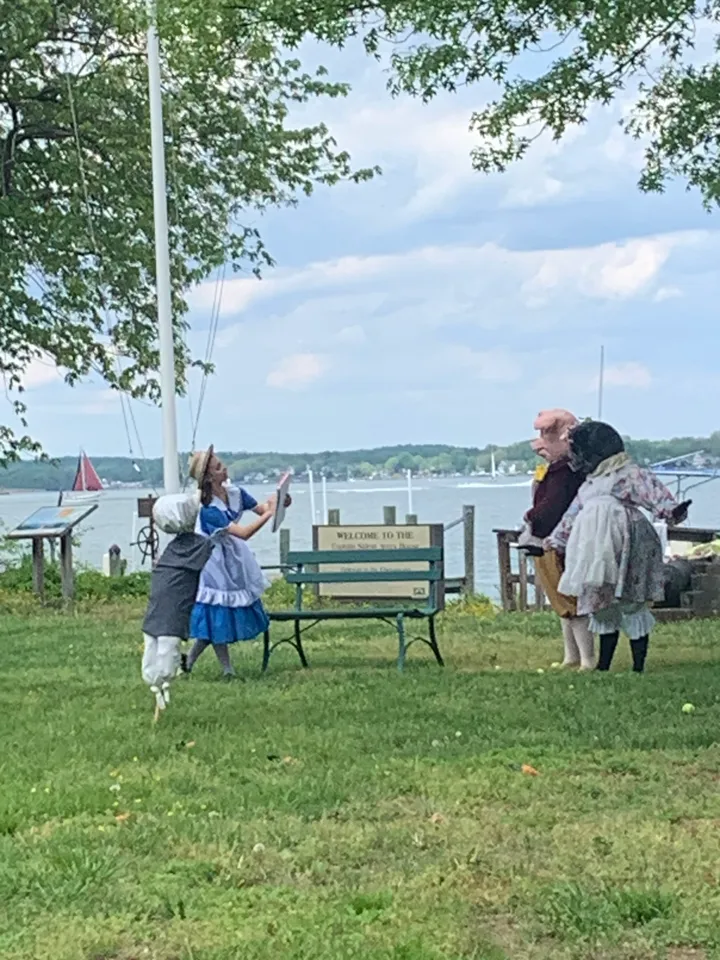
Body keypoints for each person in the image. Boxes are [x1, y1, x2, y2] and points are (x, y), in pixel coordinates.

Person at [548, 421, 690, 673]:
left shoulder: (628, 474)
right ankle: (604, 665)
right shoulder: (590, 485)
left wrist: (671, 510)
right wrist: (557, 539)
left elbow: (652, 494)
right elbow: (572, 515)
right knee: (601, 602)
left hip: (626, 541)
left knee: (630, 599)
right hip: (594, 548)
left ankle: (637, 665)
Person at [184, 447, 288, 679]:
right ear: (210, 477)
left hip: (232, 559)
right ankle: (226, 669)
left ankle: (189, 661)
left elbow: (260, 507)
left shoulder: (235, 493)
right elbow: (241, 533)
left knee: (218, 616)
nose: (225, 469)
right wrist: (268, 515)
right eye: (219, 467)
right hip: (214, 563)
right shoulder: (208, 509)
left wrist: (279, 502)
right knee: (217, 611)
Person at [519, 409, 595, 669]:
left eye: (545, 446)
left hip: (558, 541)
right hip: (546, 541)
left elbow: (553, 506)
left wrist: (531, 517)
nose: (542, 452)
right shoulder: (557, 470)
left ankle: (586, 659)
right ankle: (572, 656)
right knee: (561, 604)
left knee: (571, 602)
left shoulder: (565, 472)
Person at [141, 493, 224, 717]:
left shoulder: (174, 551)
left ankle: (158, 682)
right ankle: (160, 681)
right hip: (172, 610)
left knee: (157, 641)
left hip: (162, 604)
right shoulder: (198, 546)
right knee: (165, 641)